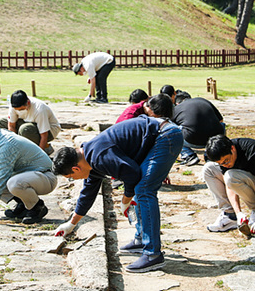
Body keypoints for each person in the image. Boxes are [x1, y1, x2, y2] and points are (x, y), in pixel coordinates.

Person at [52, 94, 183, 273]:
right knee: (139, 188)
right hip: (161, 135)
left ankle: (153, 254)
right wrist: (72, 223)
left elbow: (132, 173)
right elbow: (88, 193)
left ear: (75, 169)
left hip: (166, 136)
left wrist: (125, 199)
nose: (73, 180)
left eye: (70, 177)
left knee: (143, 190)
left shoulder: (98, 156)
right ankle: (140, 238)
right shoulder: (89, 158)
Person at [203, 135, 255, 236]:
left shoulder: (254, 153)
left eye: (226, 161)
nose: (225, 165)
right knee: (209, 169)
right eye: (221, 164)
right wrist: (238, 213)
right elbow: (229, 186)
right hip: (246, 179)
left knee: (231, 176)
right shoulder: (225, 156)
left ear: (232, 149)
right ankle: (230, 215)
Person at [0, 90, 61, 155]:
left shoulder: (39, 109)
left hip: (49, 131)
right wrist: (13, 145)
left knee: (25, 129)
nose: (19, 111)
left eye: (21, 109)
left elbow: (44, 134)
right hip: (27, 122)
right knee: (2, 122)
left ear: (28, 103)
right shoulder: (14, 105)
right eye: (17, 110)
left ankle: (45, 147)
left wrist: (40, 154)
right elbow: (11, 126)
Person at [172, 95, 225, 167]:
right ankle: (210, 155)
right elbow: (220, 120)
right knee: (222, 125)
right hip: (215, 139)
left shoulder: (177, 108)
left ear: (177, 103)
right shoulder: (203, 100)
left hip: (193, 140)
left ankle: (189, 155)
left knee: (173, 131)